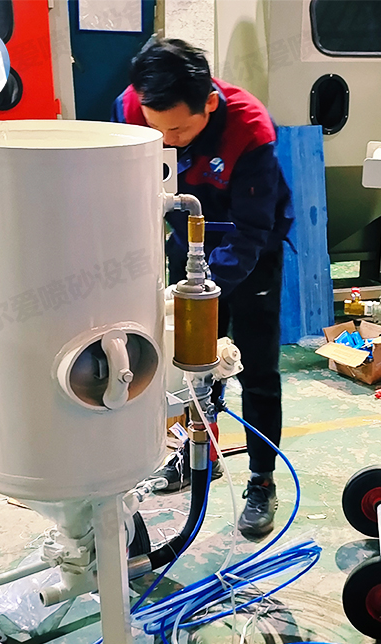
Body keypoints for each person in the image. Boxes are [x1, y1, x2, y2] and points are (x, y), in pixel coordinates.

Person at [112, 37, 293, 539]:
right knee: (192, 366)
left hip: (251, 250)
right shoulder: (131, 109)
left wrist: (206, 285)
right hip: (184, 241)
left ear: (210, 103)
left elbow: (252, 228)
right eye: (156, 127)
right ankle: (198, 456)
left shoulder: (250, 130)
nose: (165, 139)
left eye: (177, 130)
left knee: (256, 370)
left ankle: (261, 479)